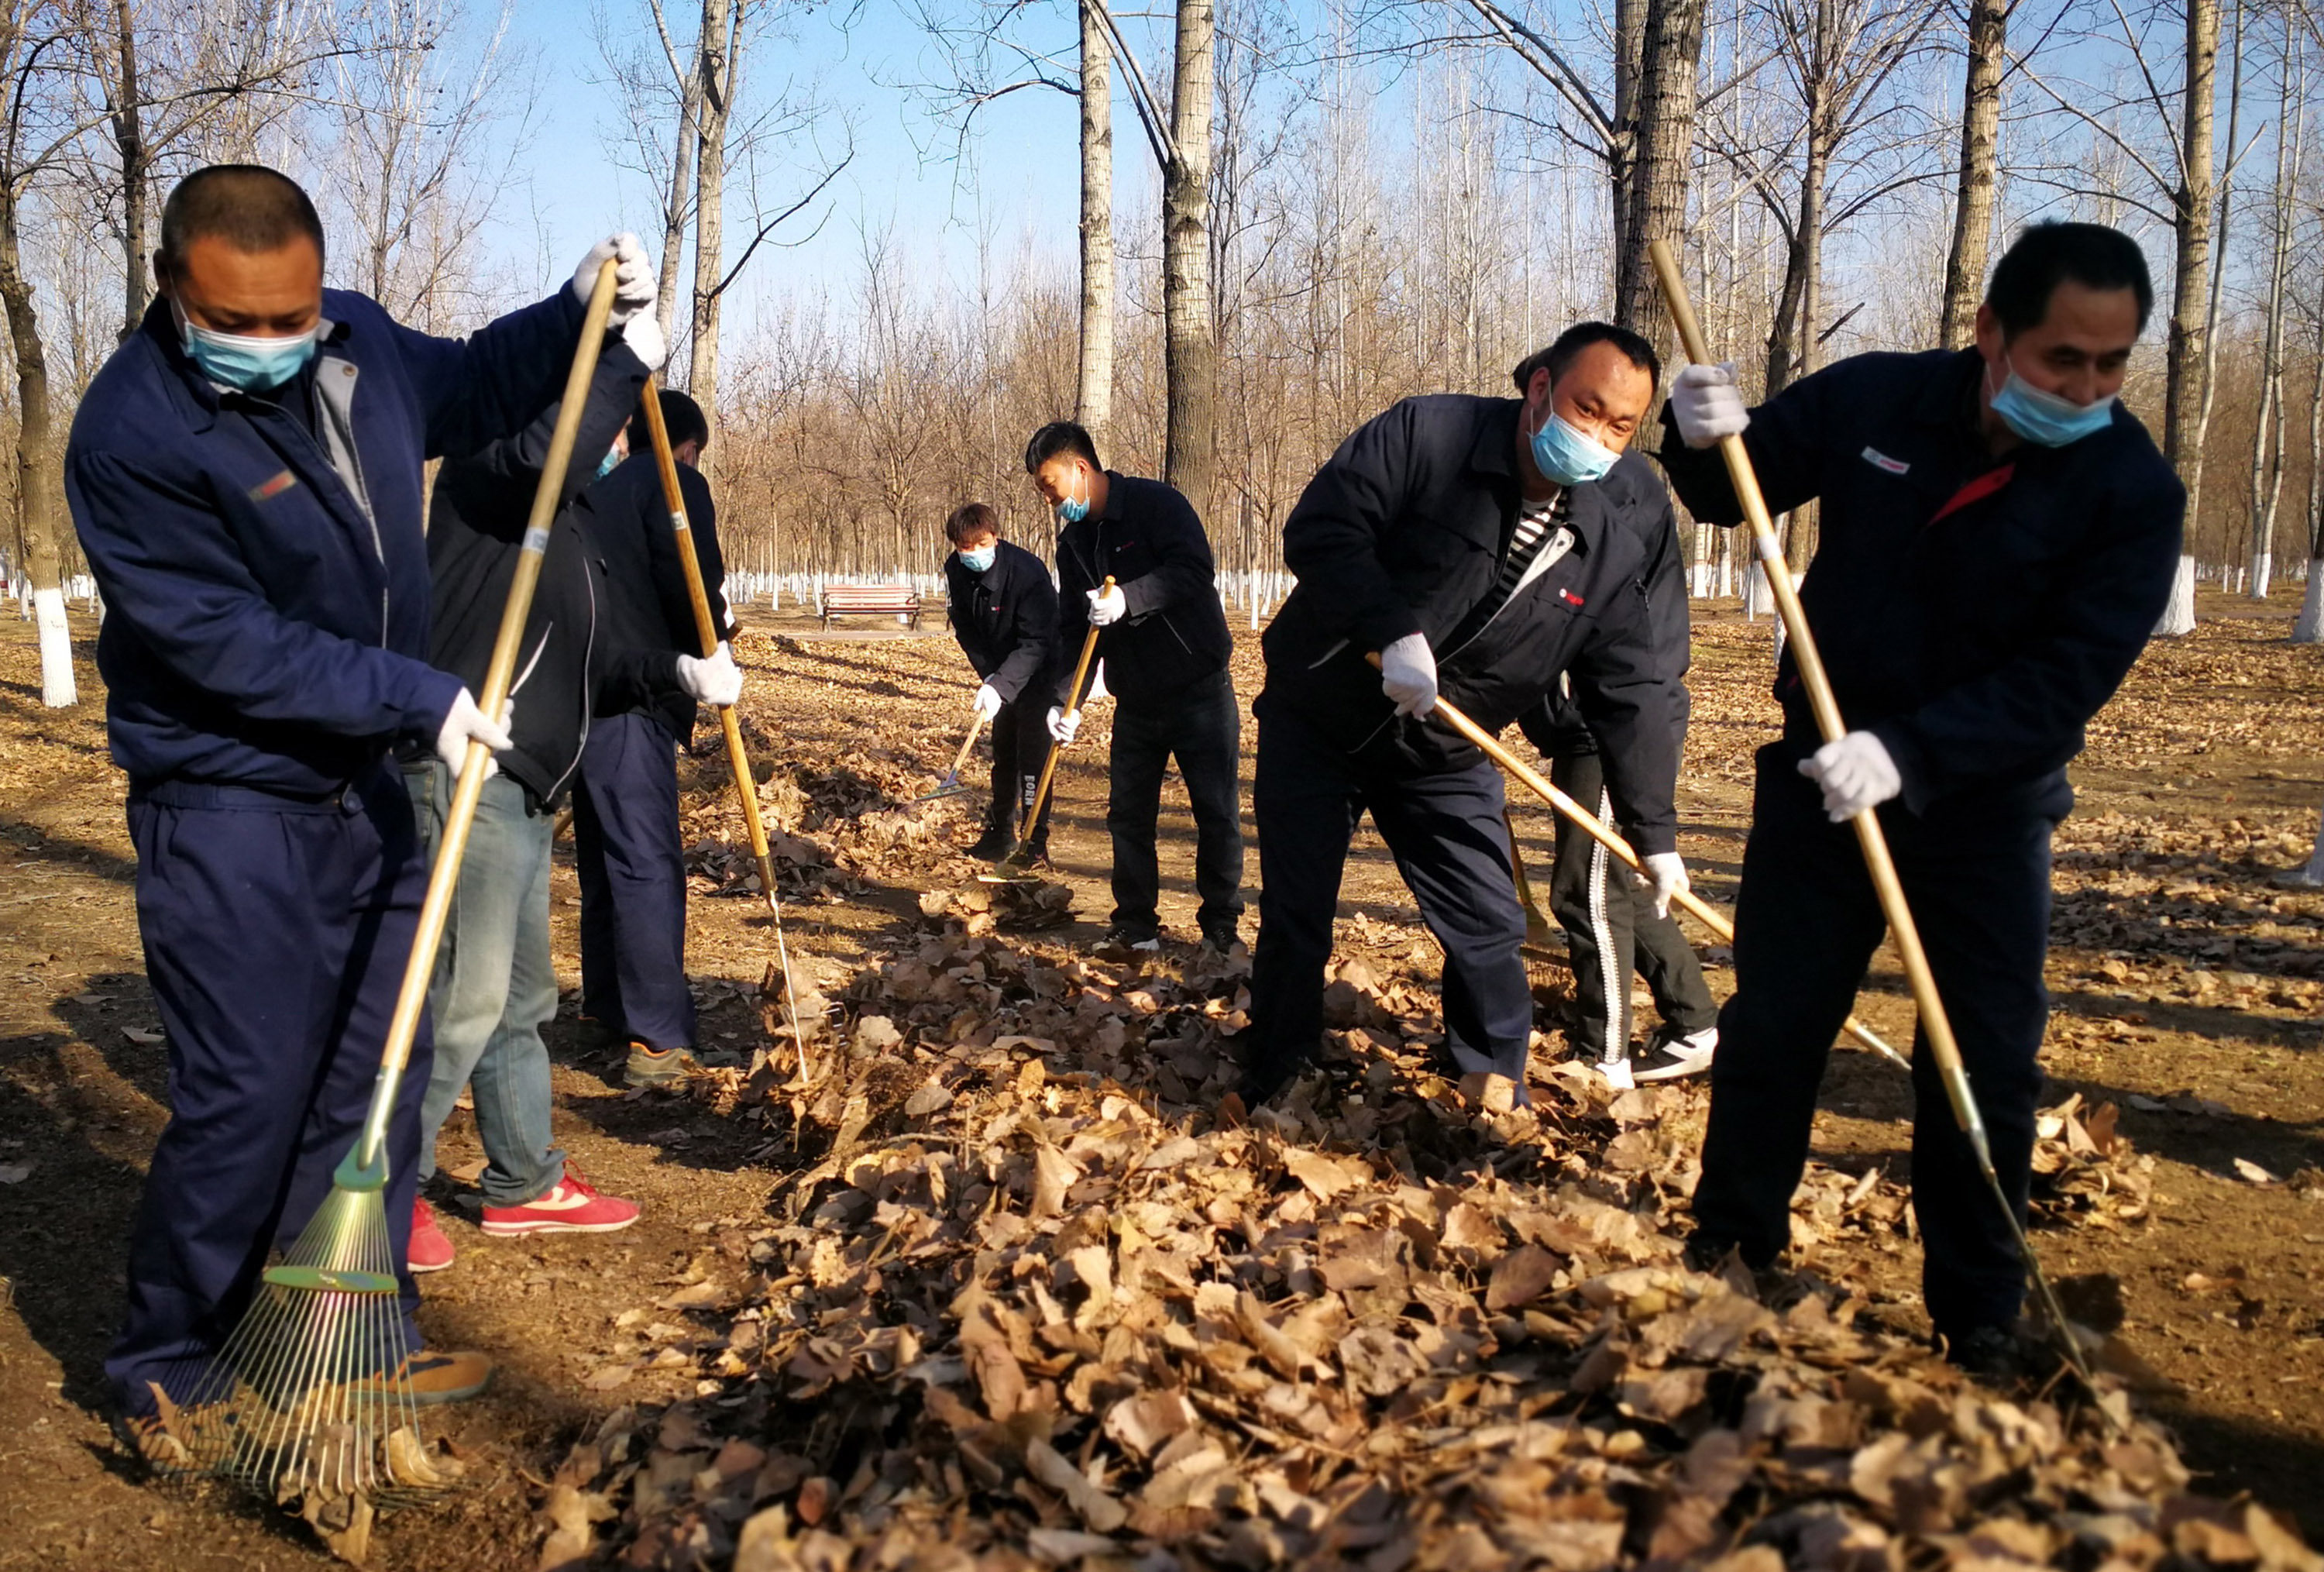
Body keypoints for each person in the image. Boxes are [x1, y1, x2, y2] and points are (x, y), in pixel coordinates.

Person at [65, 162, 658, 1435]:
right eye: (239, 322)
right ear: (174, 290)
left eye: (293, 316)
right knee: (249, 1089)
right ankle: (168, 1360)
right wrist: (413, 693)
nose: (273, 344)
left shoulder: (364, 340)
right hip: (229, 798)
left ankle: (339, 1329)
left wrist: (574, 317)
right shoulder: (132, 433)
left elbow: (476, 379)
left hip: (366, 785)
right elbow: (218, 639)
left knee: (368, 1082)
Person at [1657, 222, 2184, 1371]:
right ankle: (1732, 1249)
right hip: (1816, 789)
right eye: (2062, 360)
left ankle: (1981, 1308)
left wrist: (1911, 753)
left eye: (2111, 365)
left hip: (1985, 809)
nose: (2086, 388)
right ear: (1992, 332)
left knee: (1985, 1058)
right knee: (1775, 1029)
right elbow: (1729, 486)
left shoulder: (2130, 489)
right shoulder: (1878, 402)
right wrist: (1696, 435)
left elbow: (2066, 681)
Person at [1237, 324, 1691, 1109]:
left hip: (1446, 749)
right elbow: (1323, 527)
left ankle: (1489, 1082)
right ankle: (1281, 1068)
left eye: (1621, 426)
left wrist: (1654, 833)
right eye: (1587, 408)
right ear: (1541, 387)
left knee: (1489, 922)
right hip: (1321, 718)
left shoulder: (1607, 543)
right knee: (1298, 911)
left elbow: (1633, 689)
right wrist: (1389, 629)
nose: (1598, 435)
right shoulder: (1431, 434)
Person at [401, 280, 741, 1272]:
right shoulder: (489, 479)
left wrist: (681, 669)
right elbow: (540, 452)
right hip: (467, 764)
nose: (589, 442)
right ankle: (389, 1184)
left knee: (520, 998)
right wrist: (619, 364)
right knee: (461, 996)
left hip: (529, 782)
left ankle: (520, 1178)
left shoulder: (578, 525)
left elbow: (609, 648)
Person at [1026, 422, 1243, 952]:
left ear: (1080, 468)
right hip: (1137, 698)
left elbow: (1194, 569)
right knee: (1128, 814)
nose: (1052, 500)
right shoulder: (1074, 543)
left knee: (1215, 809)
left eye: (1051, 485)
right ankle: (1136, 925)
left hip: (1198, 688)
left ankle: (1220, 925)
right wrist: (1065, 701)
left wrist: (1130, 598)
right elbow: (1078, 628)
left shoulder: (1157, 504)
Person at [573, 387, 735, 1088]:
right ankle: (657, 1039)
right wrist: (712, 640)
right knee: (645, 862)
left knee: (604, 855)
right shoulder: (674, 482)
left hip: (582, 694)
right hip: (638, 692)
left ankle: (609, 1004)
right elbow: (689, 574)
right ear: (686, 446)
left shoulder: (598, 492)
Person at [1520, 693, 1718, 1085]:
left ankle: (1602, 1058)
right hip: (1590, 730)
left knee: (1589, 893)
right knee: (1619, 887)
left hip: (1611, 732)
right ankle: (1695, 1023)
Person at [941, 502, 1060, 860]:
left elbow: (1038, 641)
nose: (973, 554)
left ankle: (1034, 842)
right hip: (999, 669)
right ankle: (999, 834)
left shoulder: (1027, 573)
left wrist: (1003, 683)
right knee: (1004, 752)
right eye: (965, 547)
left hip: (1040, 670)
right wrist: (989, 676)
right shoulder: (956, 571)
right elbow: (964, 626)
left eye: (981, 545)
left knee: (1033, 757)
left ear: (996, 537)